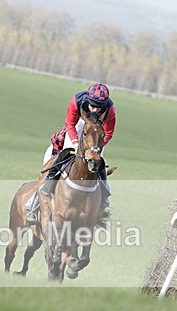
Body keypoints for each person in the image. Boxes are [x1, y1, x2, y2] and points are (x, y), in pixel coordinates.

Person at [26, 83, 116, 223]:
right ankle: (42, 191)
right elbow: (70, 124)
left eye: (99, 107)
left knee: (99, 161)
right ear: (87, 100)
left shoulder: (110, 109)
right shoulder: (77, 101)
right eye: (93, 105)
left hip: (96, 133)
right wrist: (75, 143)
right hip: (78, 126)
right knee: (65, 154)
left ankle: (104, 194)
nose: (95, 109)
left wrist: (96, 147)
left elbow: (109, 132)